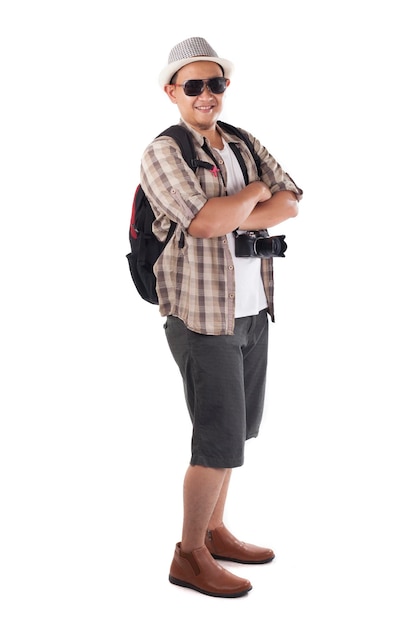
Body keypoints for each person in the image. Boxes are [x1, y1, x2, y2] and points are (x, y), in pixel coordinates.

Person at [140, 37, 303, 598]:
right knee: (215, 438)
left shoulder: (241, 141)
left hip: (254, 309)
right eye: (194, 86)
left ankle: (213, 531)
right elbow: (204, 223)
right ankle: (188, 554)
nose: (207, 94)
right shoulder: (164, 152)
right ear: (172, 91)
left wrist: (243, 204)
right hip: (202, 315)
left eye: (216, 84)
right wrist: (255, 194)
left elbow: (293, 201)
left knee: (236, 433)